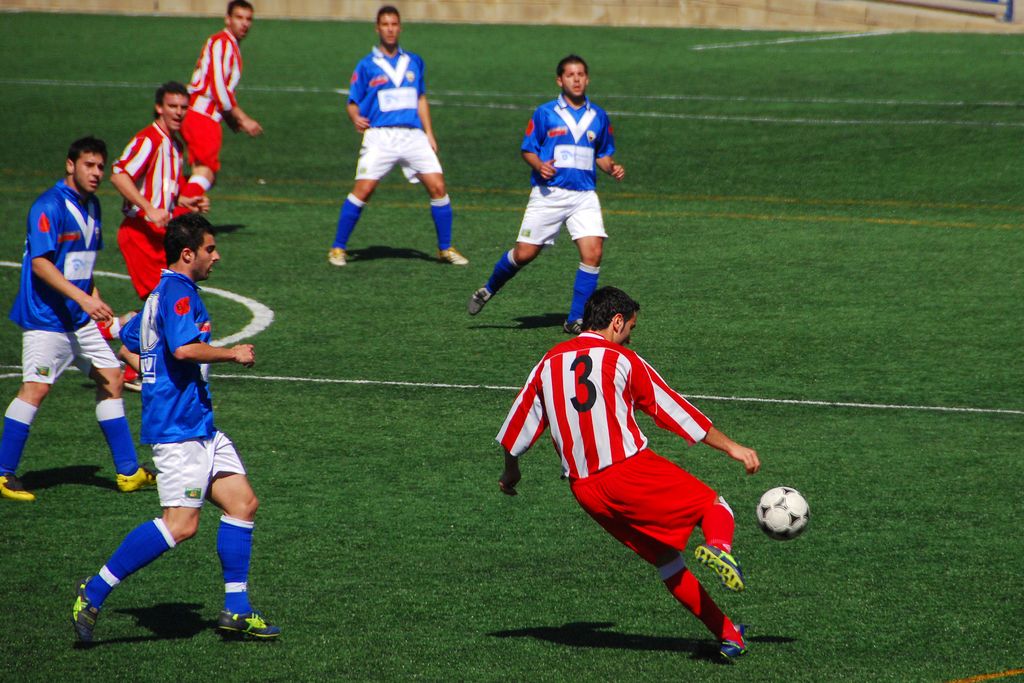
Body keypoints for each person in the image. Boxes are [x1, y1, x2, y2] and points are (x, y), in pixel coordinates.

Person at [495, 287, 760, 660]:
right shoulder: (621, 358)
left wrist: (511, 474)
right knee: (715, 507)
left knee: (667, 559)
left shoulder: (547, 363)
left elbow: (515, 431)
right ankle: (721, 548)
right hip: (627, 469)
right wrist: (732, 446)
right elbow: (672, 408)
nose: (631, 335)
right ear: (616, 321)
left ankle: (730, 634)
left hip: (586, 490)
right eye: (630, 327)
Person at [72, 214, 280, 642]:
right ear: (188, 254)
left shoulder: (157, 295)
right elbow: (184, 348)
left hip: (199, 423)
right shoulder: (178, 294)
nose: (216, 256)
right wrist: (233, 354)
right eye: (210, 249)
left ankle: (236, 610)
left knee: (243, 504)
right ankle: (91, 593)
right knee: (181, 525)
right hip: (179, 430)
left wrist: (149, 375)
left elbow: (129, 342)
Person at [0, 137, 155, 502]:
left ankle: (128, 472)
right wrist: (85, 300)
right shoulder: (48, 206)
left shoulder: (93, 206)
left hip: (78, 319)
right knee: (35, 389)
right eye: (89, 165)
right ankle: (3, 474)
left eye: (101, 166)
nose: (97, 173)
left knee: (112, 378)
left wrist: (98, 307)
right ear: (71, 165)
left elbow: (82, 268)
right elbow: (40, 264)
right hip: (46, 318)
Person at [467, 55, 624, 335]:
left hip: (584, 195)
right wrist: (539, 164)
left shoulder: (598, 116)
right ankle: (489, 288)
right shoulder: (545, 113)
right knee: (525, 253)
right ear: (559, 80)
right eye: (570, 75)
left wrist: (611, 168)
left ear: (587, 79)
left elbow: (601, 154)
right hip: (548, 194)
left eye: (580, 74)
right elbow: (528, 148)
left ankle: (575, 319)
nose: (576, 79)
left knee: (594, 252)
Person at [327, 5, 468, 268]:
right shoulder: (367, 65)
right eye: (385, 24)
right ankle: (338, 247)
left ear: (400, 27)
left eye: (394, 24)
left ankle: (445, 248)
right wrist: (355, 116)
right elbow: (352, 102)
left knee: (438, 187)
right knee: (364, 189)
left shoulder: (414, 61)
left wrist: (429, 132)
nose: (390, 29)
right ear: (377, 28)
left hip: (413, 135)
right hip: (380, 136)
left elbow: (421, 98)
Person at [112, 81, 210, 301]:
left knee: (166, 302)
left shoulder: (175, 145)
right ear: (159, 108)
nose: (178, 112)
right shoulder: (149, 139)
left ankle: (120, 327)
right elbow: (118, 175)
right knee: (163, 302)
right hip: (139, 234)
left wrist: (186, 202)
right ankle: (113, 329)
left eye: (183, 107)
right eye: (172, 106)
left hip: (160, 234)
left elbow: (163, 190)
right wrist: (148, 208)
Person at [179, 0, 262, 203]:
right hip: (201, 115)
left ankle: (171, 199)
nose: (244, 24)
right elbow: (218, 88)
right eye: (239, 18)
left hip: (203, 115)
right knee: (206, 172)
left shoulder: (230, 45)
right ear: (228, 19)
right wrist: (242, 118)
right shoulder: (222, 43)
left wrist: (229, 118)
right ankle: (176, 215)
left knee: (203, 173)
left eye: (248, 19)